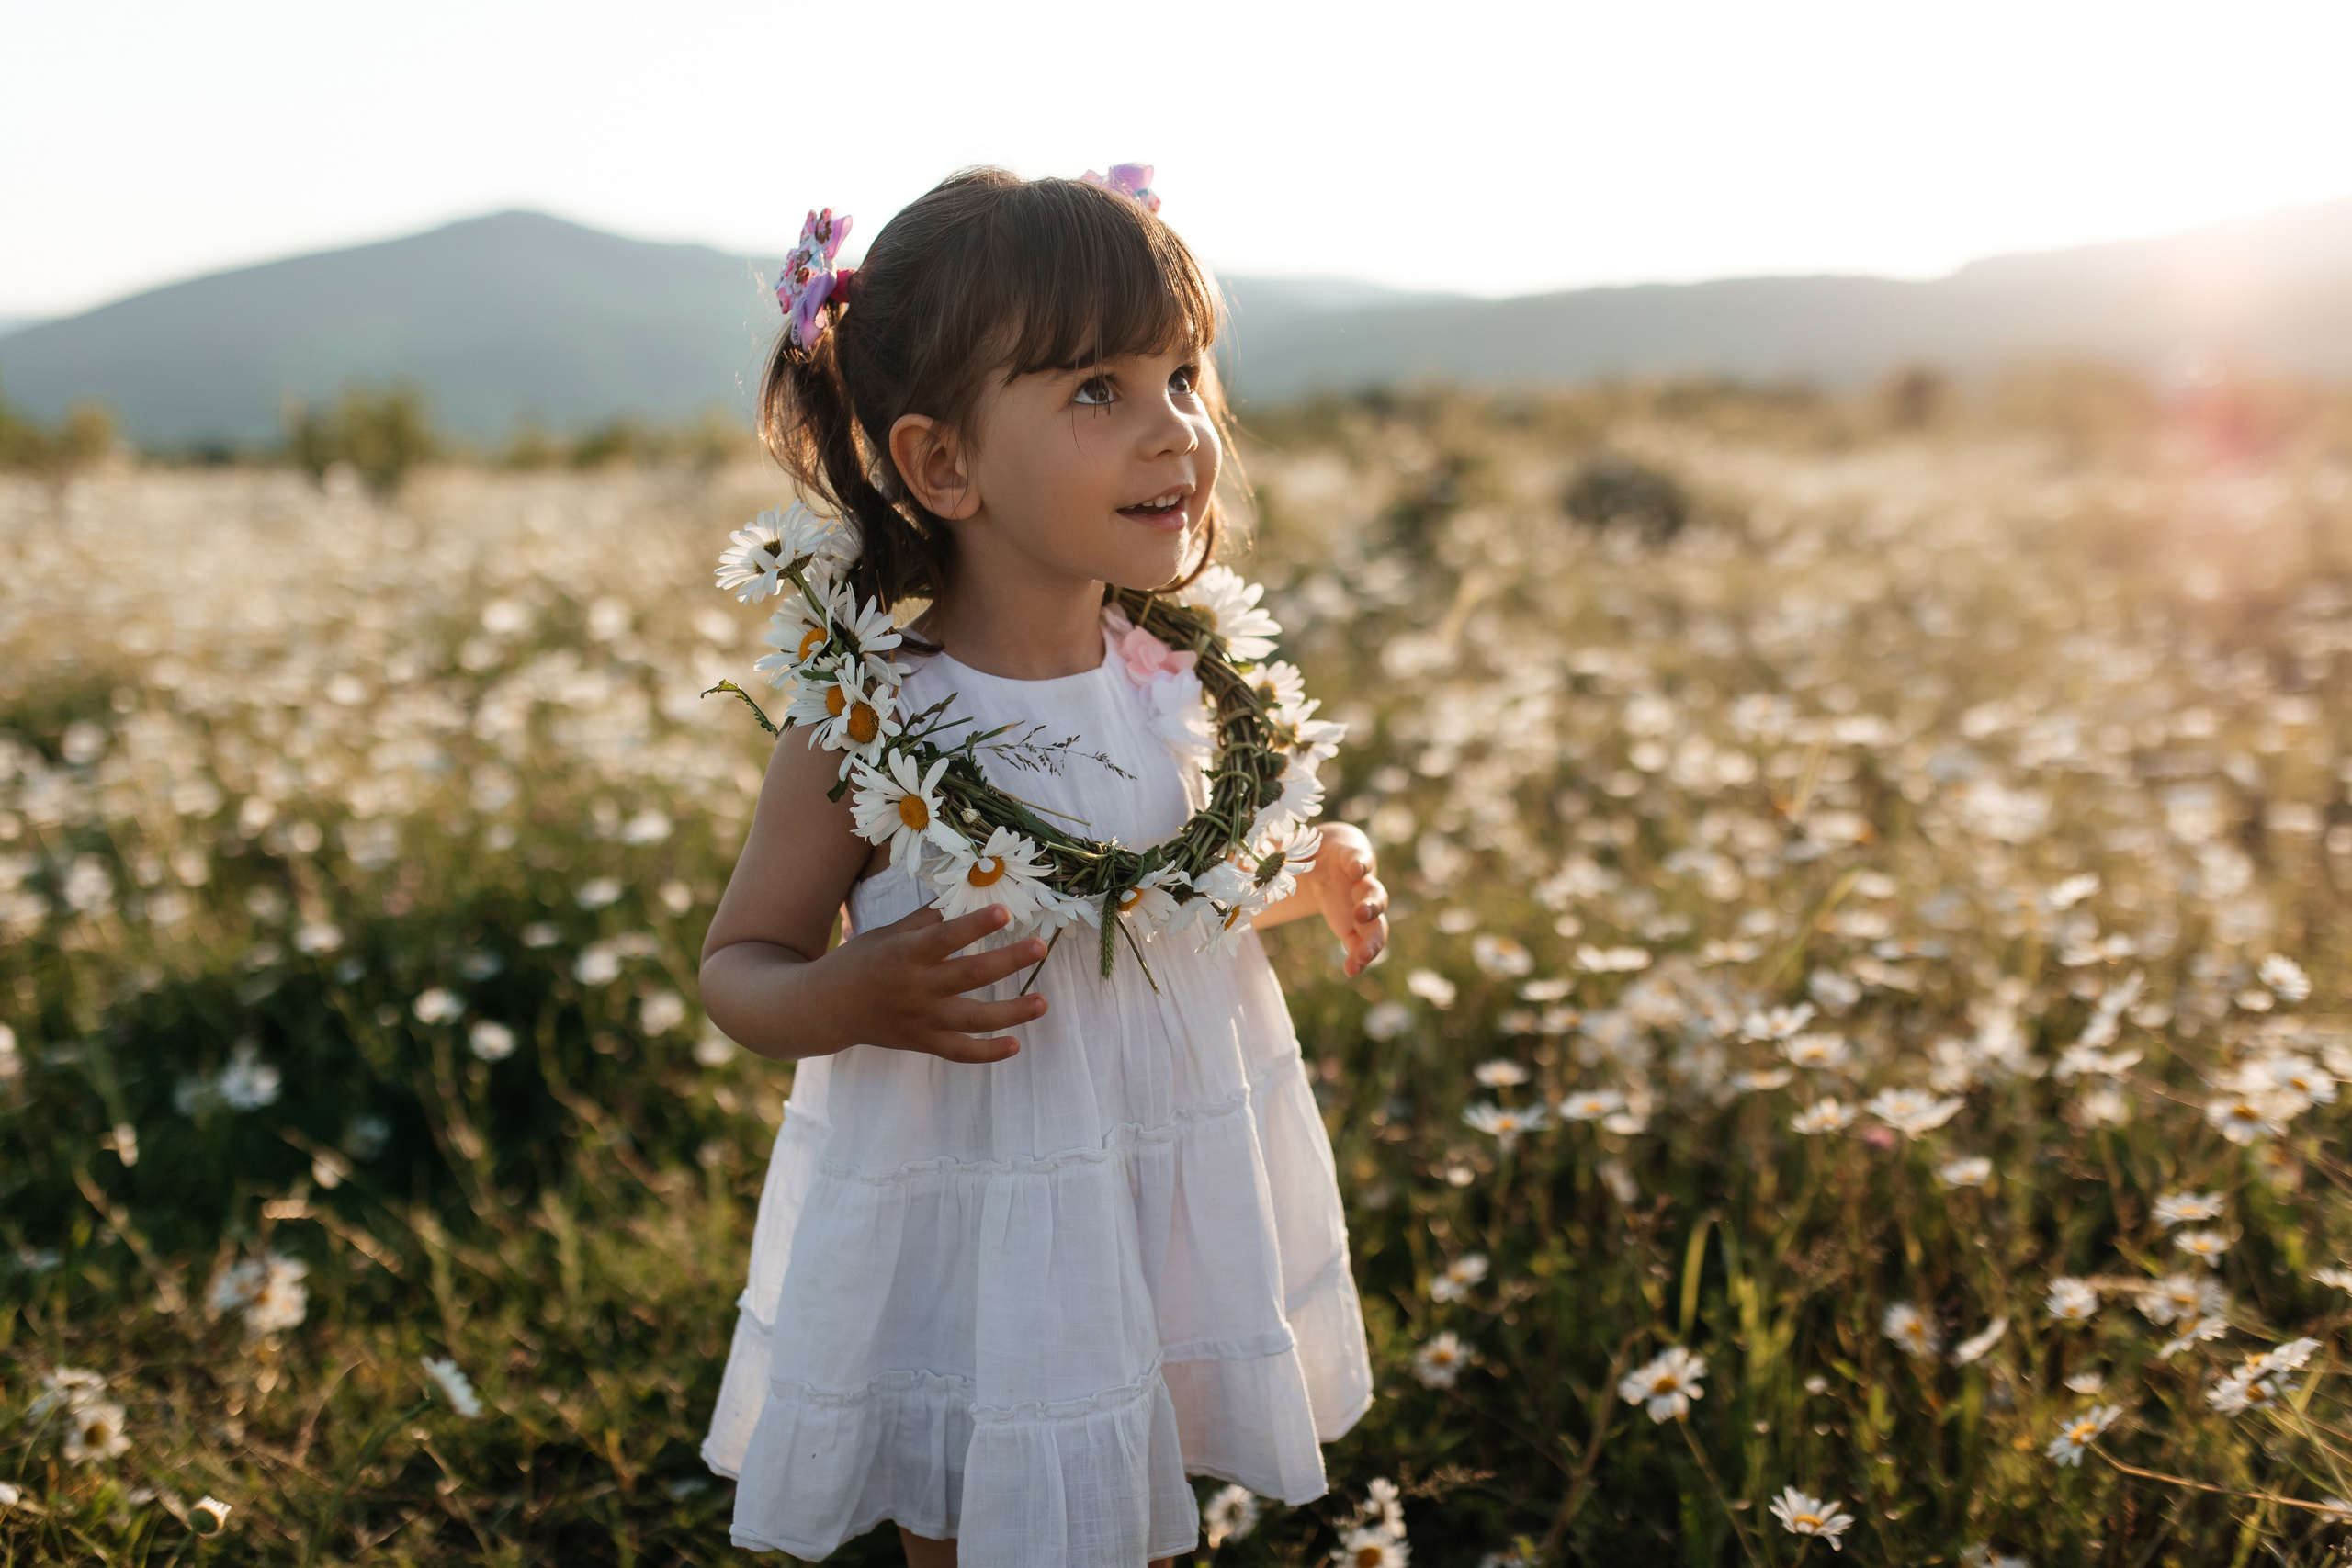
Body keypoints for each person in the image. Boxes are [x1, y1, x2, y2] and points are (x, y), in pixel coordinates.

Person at [695, 164, 1386, 1567]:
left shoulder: (1174, 689)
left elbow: (1155, 897)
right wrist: (852, 991)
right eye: (1097, 393)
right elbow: (736, 972)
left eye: (1183, 374)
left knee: (1133, 1481)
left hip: (1151, 1173)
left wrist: (1299, 872)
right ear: (943, 462)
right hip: (975, 1202)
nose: (1176, 433)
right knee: (976, 1502)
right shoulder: (868, 727)